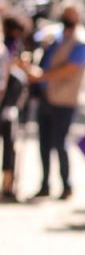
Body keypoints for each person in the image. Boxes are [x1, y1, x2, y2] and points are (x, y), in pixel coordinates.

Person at [29, 0, 85, 201]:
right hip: (46, 95)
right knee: (44, 143)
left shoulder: (81, 41)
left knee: (60, 142)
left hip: (64, 99)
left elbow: (70, 69)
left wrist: (42, 76)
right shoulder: (55, 35)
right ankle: (44, 184)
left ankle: (66, 185)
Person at [1, 16, 30, 202]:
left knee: (10, 146)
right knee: (10, 146)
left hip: (10, 104)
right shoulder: (5, 50)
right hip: (7, 102)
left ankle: (8, 184)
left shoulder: (15, 48)